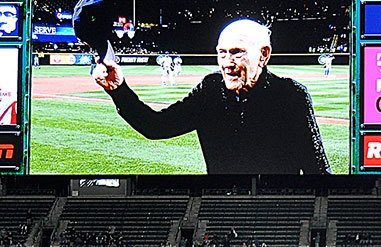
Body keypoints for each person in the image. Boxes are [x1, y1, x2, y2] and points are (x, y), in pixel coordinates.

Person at [93, 19, 330, 174]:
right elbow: (156, 126)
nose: (227, 63)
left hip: (276, 207)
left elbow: (317, 169)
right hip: (220, 204)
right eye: (222, 53)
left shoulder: (290, 96)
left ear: (263, 55)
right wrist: (118, 90)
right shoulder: (210, 90)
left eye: (237, 53)